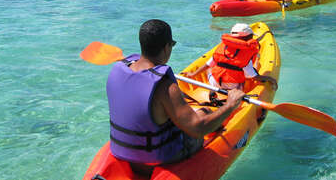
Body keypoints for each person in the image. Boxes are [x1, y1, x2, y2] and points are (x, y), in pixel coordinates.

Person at [106, 19, 246, 173]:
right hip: (159, 157)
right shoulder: (165, 86)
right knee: (204, 112)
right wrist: (230, 104)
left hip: (122, 150)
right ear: (166, 47)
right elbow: (198, 128)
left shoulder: (118, 69)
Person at [183, 23, 278, 91]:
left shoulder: (223, 47)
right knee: (254, 67)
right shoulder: (247, 53)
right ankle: (257, 60)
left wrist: (193, 74)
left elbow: (208, 65)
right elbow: (253, 76)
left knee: (210, 68)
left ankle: (214, 88)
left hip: (214, 82)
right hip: (233, 86)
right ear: (249, 38)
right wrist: (271, 79)